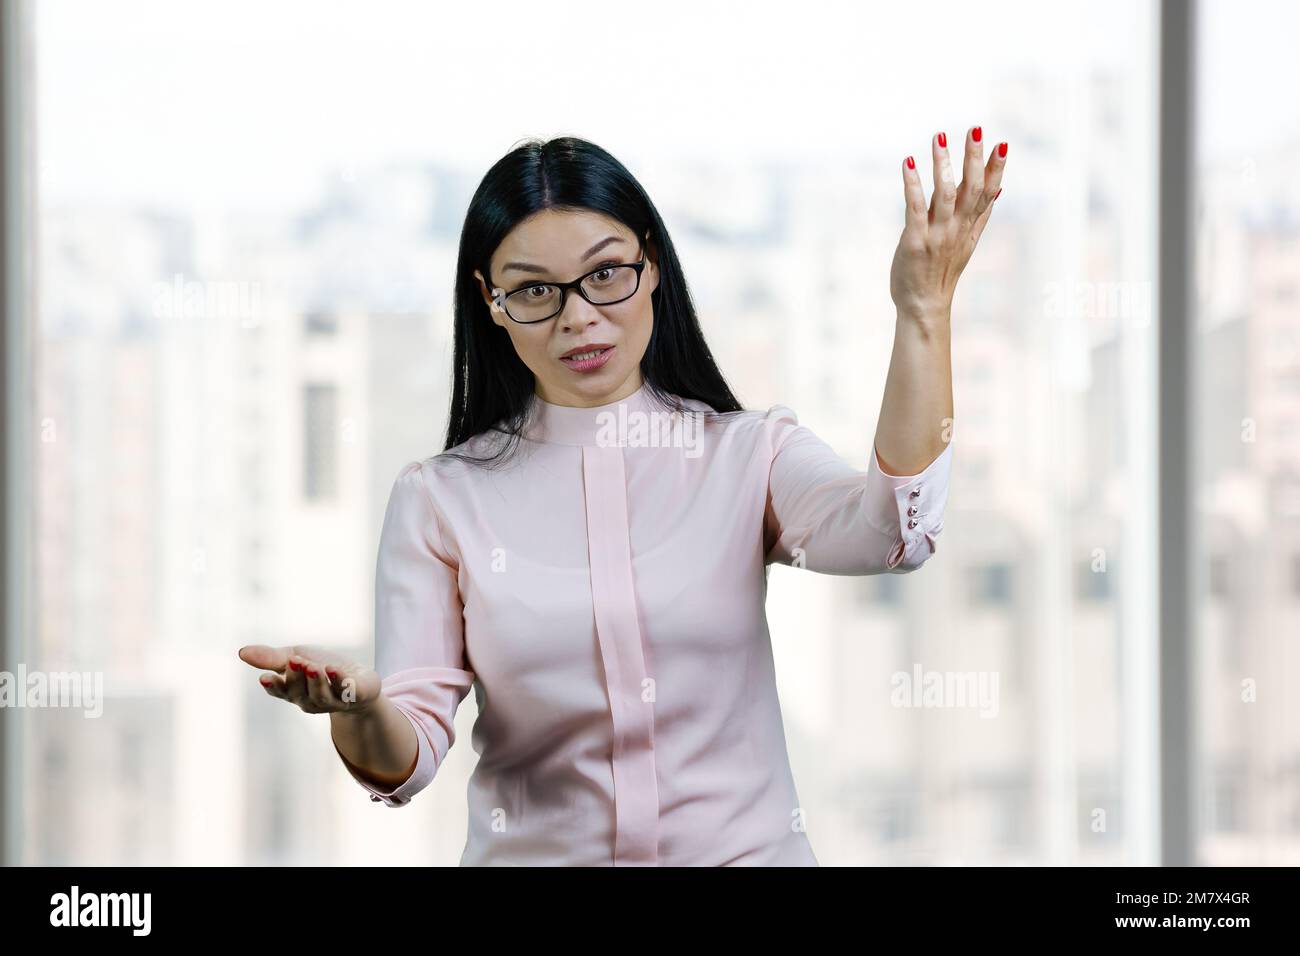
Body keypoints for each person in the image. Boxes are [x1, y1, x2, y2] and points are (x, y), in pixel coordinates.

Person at [238, 130, 1008, 865]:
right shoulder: (440, 501)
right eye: (534, 290)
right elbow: (405, 759)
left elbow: (894, 535)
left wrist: (924, 311)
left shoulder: (748, 454)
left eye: (606, 273)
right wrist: (360, 709)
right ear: (489, 301)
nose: (578, 316)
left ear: (653, 264)